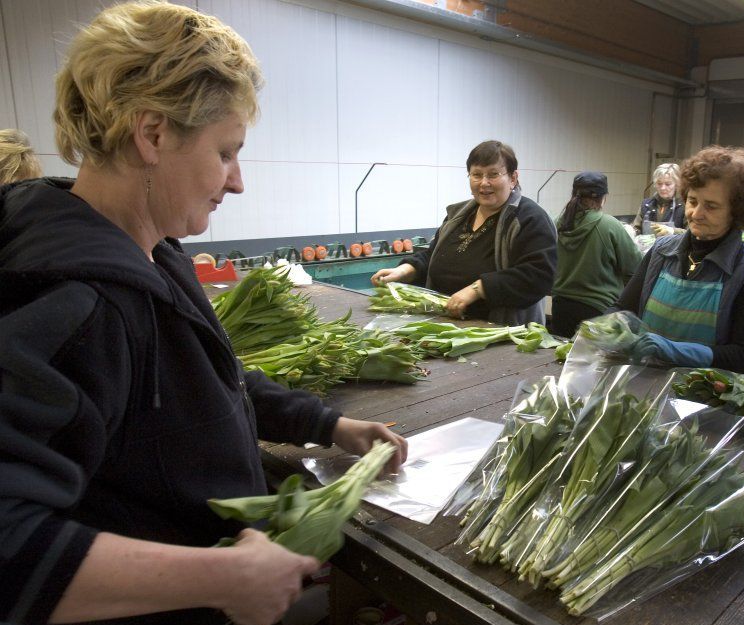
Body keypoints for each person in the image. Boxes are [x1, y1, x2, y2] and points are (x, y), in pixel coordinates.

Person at [0, 4, 405, 625]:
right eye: (225, 152)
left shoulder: (156, 256)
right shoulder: (78, 303)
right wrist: (221, 576)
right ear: (153, 134)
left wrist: (328, 425)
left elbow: (214, 382)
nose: (237, 181)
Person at [614, 145, 744, 374]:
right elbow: (623, 309)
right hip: (642, 385)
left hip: (702, 397)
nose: (696, 214)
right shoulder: (662, 251)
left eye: (711, 206)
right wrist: (605, 327)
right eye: (692, 201)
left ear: (736, 211)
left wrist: (673, 350)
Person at [370, 140, 556, 324]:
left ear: (513, 178)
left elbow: (537, 276)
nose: (484, 183)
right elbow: (432, 255)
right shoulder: (457, 215)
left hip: (498, 333)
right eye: (476, 174)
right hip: (444, 323)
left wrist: (477, 289)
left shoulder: (529, 218)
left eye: (493, 174)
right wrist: (403, 271)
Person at [550, 171, 642, 337]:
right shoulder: (609, 225)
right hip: (598, 311)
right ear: (602, 198)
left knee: (562, 358)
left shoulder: (558, 223)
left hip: (560, 307)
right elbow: (635, 269)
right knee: (594, 362)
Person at [633, 162, 684, 236]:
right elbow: (637, 228)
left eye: (668, 184)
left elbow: (691, 234)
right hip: (648, 247)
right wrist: (631, 231)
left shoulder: (683, 206)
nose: (663, 188)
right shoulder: (646, 204)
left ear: (677, 184)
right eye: (659, 184)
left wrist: (672, 231)